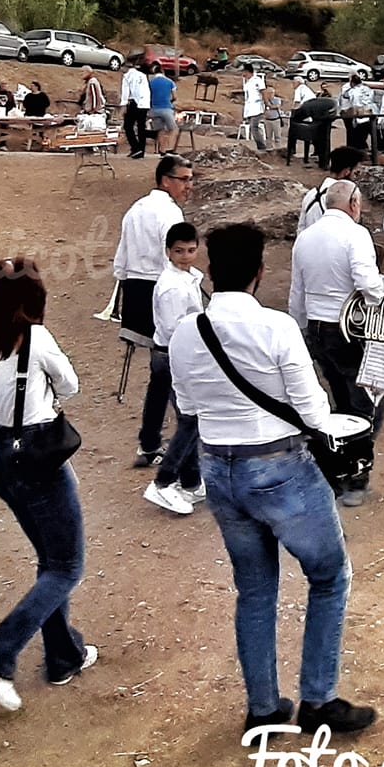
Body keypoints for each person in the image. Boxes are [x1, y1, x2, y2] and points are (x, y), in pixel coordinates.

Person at [174, 223, 375, 737]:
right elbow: (313, 411)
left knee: (255, 591)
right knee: (329, 576)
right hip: (280, 468)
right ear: (260, 273)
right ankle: (318, 699)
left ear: (212, 271)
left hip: (219, 468)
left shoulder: (185, 332)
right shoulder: (277, 327)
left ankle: (263, 708)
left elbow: (189, 407)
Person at [0, 258, 95, 711]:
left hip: (0, 455)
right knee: (66, 567)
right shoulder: (35, 338)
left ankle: (63, 656)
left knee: (50, 561)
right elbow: (71, 385)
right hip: (40, 454)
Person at [287, 182, 384, 506]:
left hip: (317, 329)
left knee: (340, 399)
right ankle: (356, 476)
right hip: (350, 331)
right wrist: (382, 287)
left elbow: (297, 293)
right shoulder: (355, 235)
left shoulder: (305, 237)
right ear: (354, 203)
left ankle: (335, 471)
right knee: (367, 400)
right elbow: (368, 284)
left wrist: (302, 329)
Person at [116, 156, 196, 467]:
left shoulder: (136, 208)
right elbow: (174, 259)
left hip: (136, 290)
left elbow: (121, 259)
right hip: (163, 292)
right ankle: (182, 451)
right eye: (183, 179)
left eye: (190, 179)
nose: (189, 185)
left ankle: (149, 442)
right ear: (165, 180)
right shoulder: (169, 212)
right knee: (175, 371)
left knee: (161, 374)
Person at [144, 223, 207, 515]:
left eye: (190, 250)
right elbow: (173, 330)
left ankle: (191, 482)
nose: (185, 256)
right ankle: (164, 481)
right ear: (168, 251)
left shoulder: (187, 279)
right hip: (174, 357)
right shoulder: (172, 287)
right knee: (191, 421)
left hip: (176, 357)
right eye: (179, 251)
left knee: (189, 418)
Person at [298, 145, 367, 236]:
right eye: (356, 173)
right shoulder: (347, 196)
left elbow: (301, 228)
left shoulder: (311, 194)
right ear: (346, 172)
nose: (356, 178)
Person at [336, 71, 375, 156]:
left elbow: (355, 105)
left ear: (351, 82)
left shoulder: (352, 91)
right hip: (369, 114)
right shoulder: (368, 89)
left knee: (355, 137)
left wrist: (354, 118)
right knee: (363, 136)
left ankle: (356, 154)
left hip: (358, 116)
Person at [120, 61, 151, 159]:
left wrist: (123, 104)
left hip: (134, 102)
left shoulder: (127, 76)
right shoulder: (143, 75)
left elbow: (125, 91)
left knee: (128, 126)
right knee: (141, 127)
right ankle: (141, 150)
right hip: (145, 103)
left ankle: (135, 147)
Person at [148, 68, 178, 153]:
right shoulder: (170, 82)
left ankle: (162, 150)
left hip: (154, 109)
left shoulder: (151, 82)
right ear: (163, 72)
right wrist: (170, 101)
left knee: (160, 130)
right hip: (166, 108)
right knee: (173, 129)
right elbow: (175, 96)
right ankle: (170, 149)